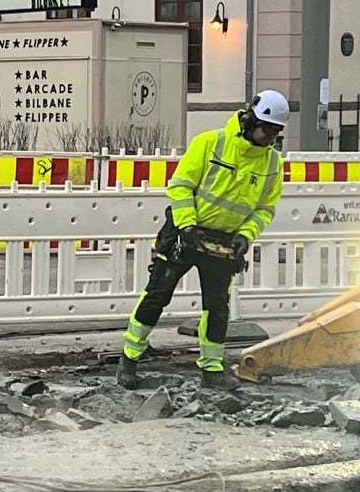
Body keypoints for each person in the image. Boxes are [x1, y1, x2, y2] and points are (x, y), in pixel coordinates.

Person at [117, 90, 288, 390]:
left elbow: (264, 209)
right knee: (158, 294)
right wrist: (187, 226)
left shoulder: (272, 163)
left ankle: (212, 369)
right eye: (266, 130)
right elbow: (181, 186)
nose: (270, 138)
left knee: (217, 307)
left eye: (276, 132)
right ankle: (129, 358)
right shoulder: (211, 143)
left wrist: (245, 237)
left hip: (223, 240)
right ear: (249, 121)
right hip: (185, 232)